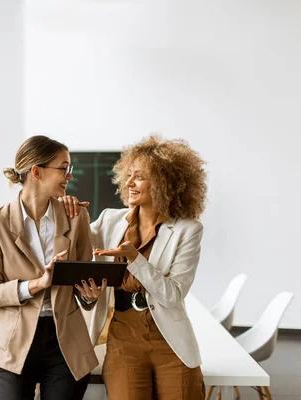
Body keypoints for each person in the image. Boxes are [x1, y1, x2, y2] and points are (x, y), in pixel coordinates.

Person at [60, 135, 208, 400]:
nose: (128, 183)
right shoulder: (109, 220)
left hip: (171, 343)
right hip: (123, 341)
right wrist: (64, 210)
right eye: (128, 175)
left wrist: (135, 259)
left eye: (139, 177)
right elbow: (73, 244)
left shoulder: (188, 230)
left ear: (165, 183)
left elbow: (172, 295)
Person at [0, 135, 107, 400]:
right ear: (36, 171)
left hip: (66, 344)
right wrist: (37, 284)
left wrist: (89, 296)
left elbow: (81, 281)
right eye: (63, 168)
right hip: (12, 342)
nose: (69, 176)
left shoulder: (75, 216)